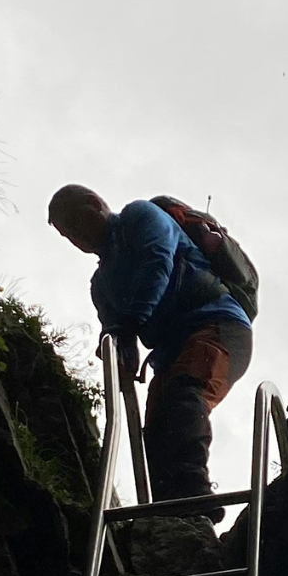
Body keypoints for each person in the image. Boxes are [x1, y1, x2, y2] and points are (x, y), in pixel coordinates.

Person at [47, 185, 253, 516]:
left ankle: (195, 496)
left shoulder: (139, 215)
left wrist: (131, 322)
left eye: (73, 223)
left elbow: (157, 259)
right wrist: (118, 353)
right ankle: (169, 515)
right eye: (65, 233)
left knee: (184, 396)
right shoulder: (101, 285)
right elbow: (115, 331)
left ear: (95, 205)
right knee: (156, 428)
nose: (74, 237)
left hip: (218, 325)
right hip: (169, 354)